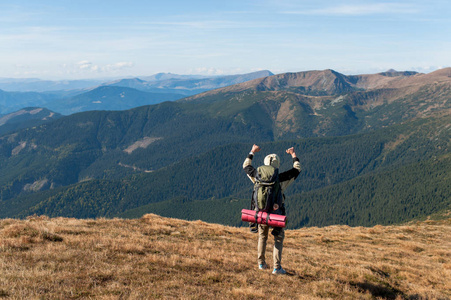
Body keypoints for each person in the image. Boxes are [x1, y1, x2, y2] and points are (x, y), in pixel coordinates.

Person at [243, 144, 301, 275]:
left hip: (261, 213)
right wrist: (293, 154)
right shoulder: (281, 178)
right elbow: (297, 169)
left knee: (262, 236)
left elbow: (246, 166)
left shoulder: (257, 176)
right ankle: (276, 267)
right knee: (278, 238)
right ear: (277, 165)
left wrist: (252, 151)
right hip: (276, 215)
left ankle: (261, 264)